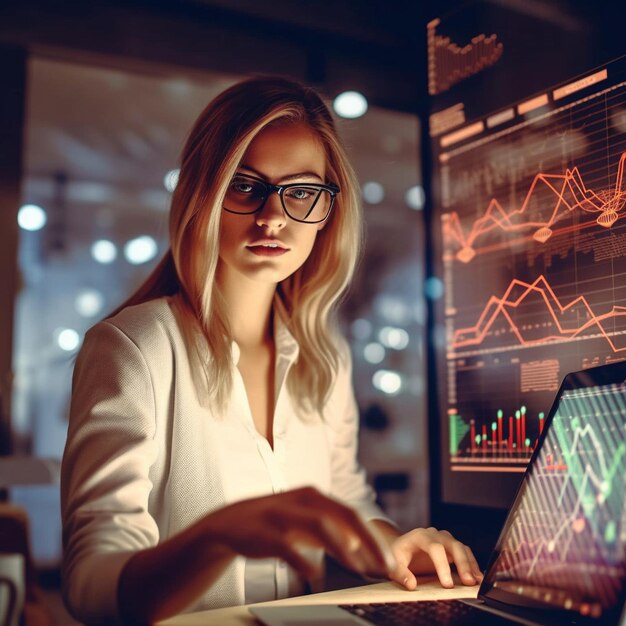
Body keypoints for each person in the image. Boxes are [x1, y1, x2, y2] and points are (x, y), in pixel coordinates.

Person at [61, 76, 482, 625]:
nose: (273, 216)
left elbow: (344, 496)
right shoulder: (133, 347)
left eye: (302, 191)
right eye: (245, 184)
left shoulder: (324, 357)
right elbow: (92, 583)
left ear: (329, 210)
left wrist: (394, 547)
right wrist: (217, 537)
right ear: (202, 193)